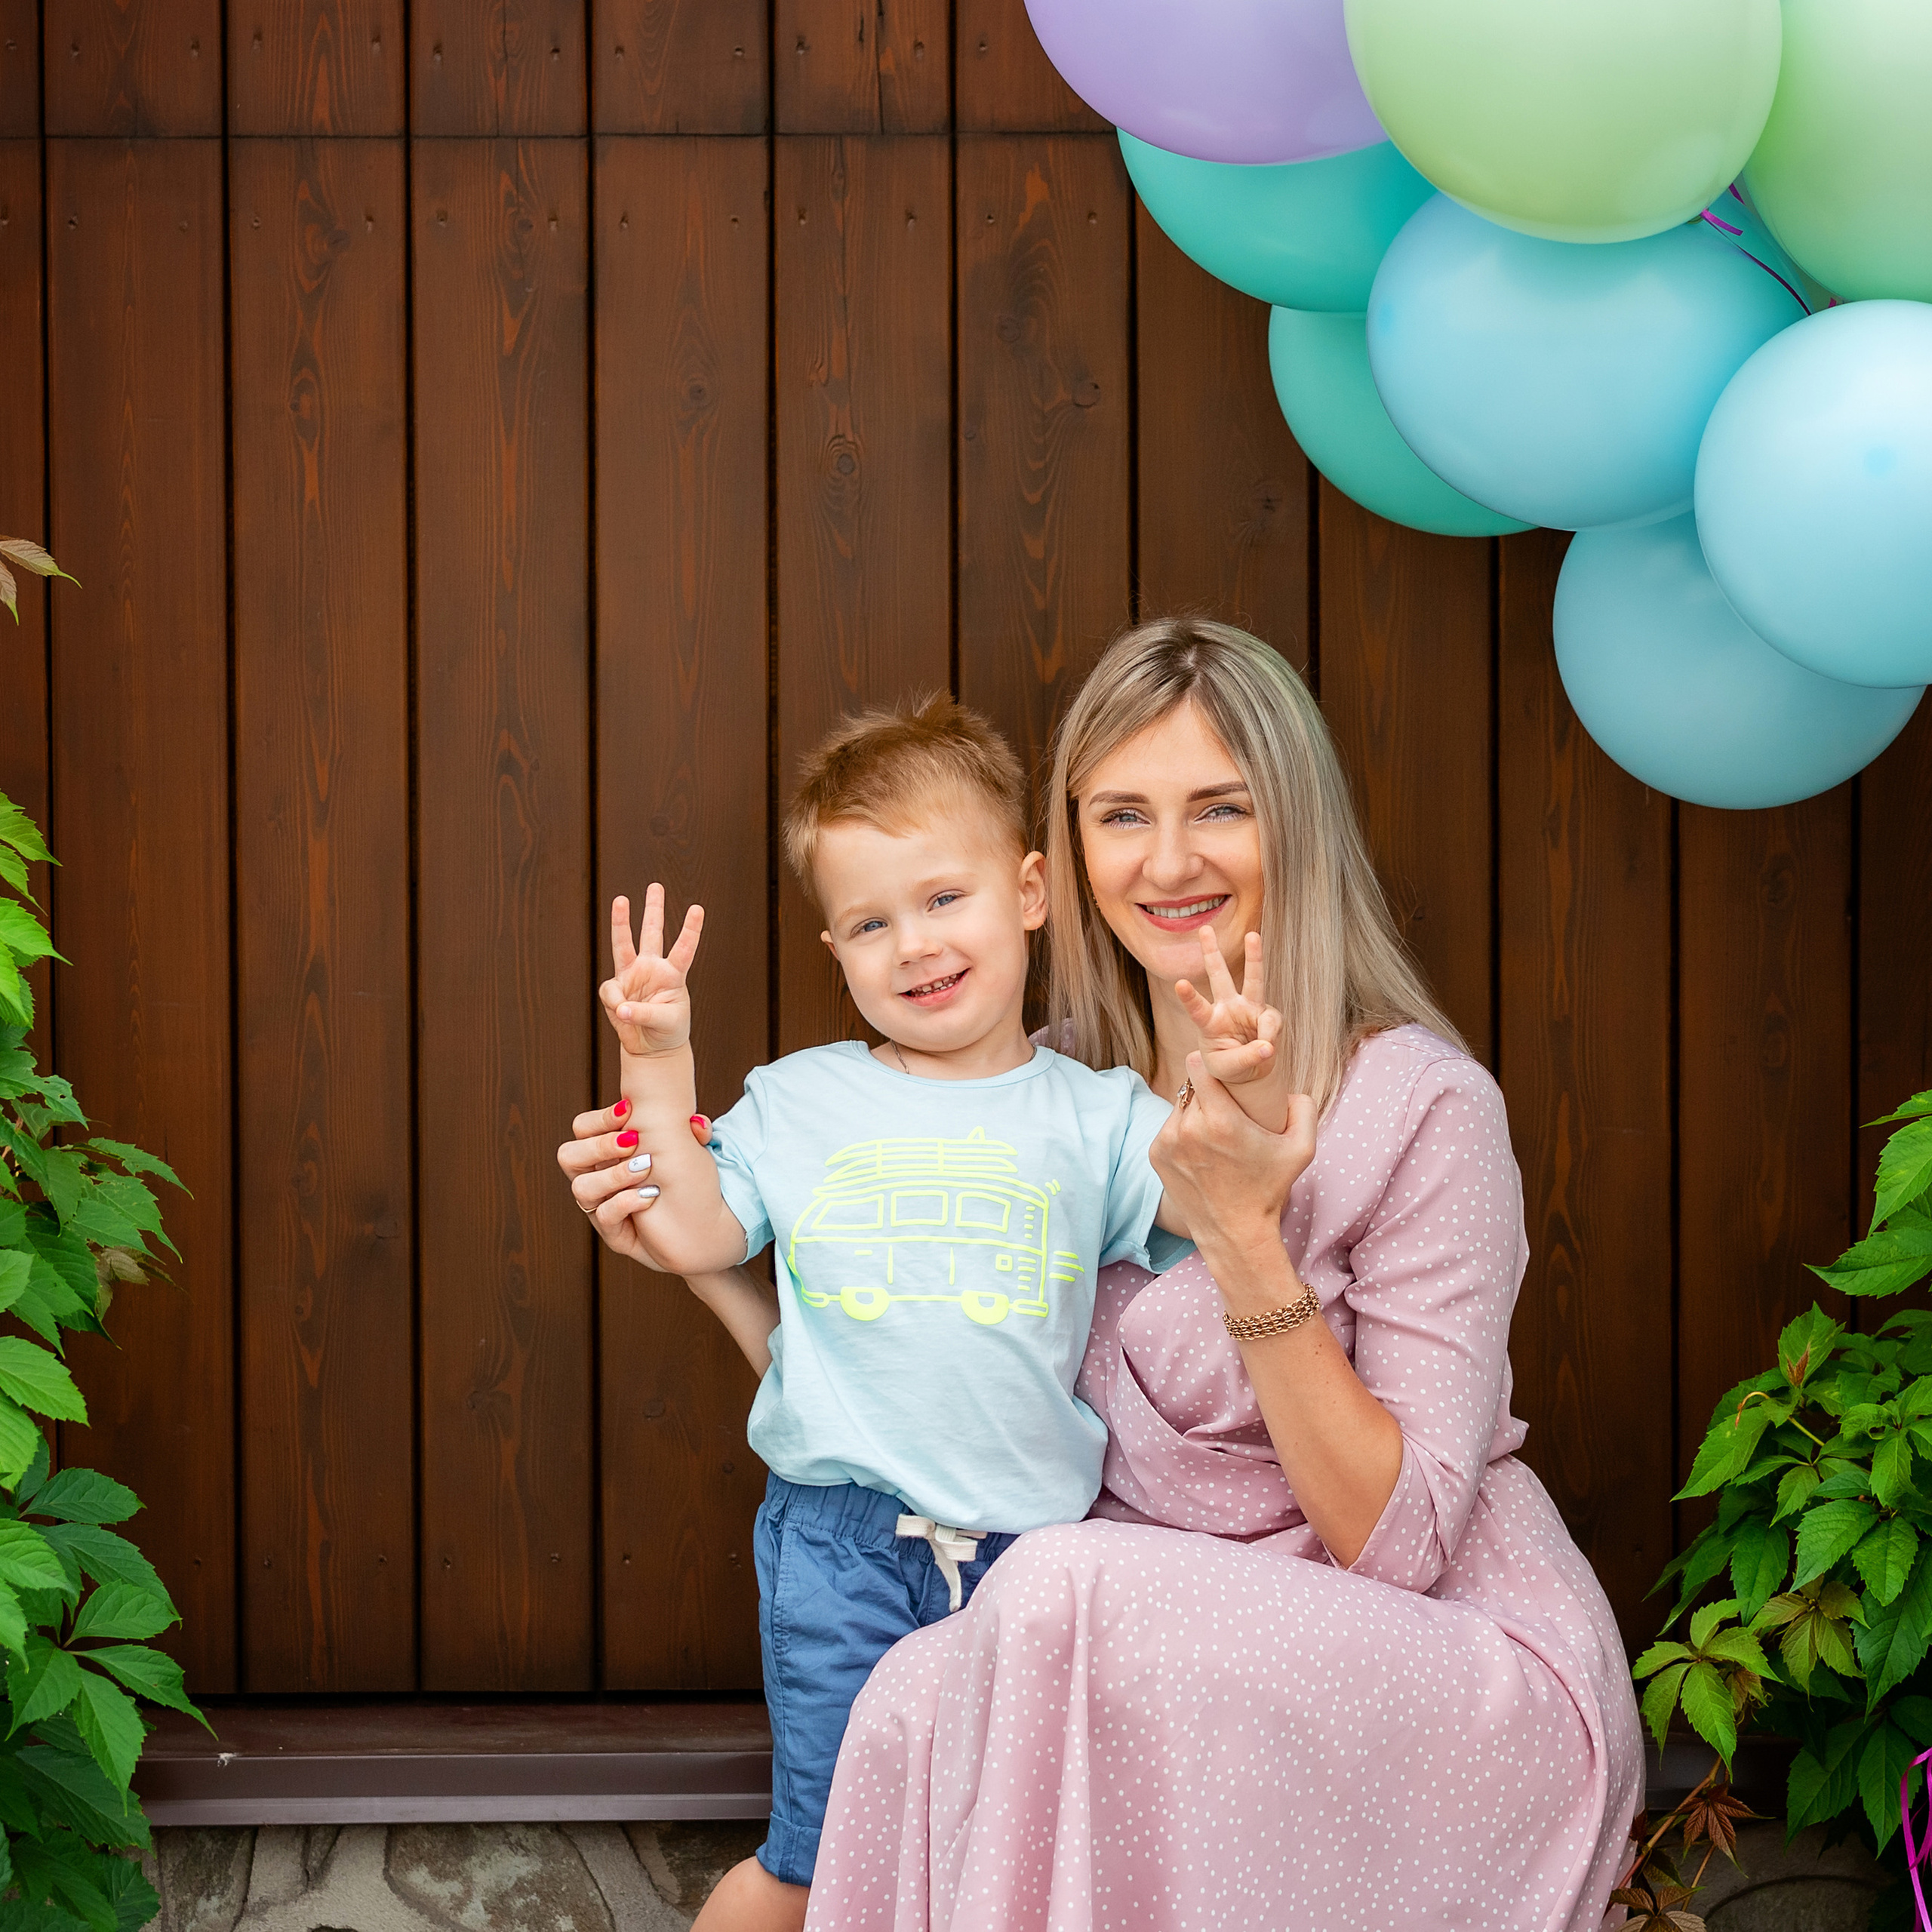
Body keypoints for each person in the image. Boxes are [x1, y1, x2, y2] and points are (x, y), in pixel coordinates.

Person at [565, 621, 1644, 1931]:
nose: (1169, 861)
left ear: (1296, 826)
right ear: (1066, 852)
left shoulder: (1421, 1107)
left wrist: (1245, 1237)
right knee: (915, 1710)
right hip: (1110, 1640)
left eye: (1221, 809)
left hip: (1409, 1658)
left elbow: (1401, 1544)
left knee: (1048, 1596)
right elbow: (908, 1379)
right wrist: (706, 1263)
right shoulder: (1045, 1082)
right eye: (1123, 814)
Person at [577, 693, 1303, 1932]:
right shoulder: (798, 1101)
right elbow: (692, 1233)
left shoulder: (1098, 1115)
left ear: (1029, 892)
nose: (913, 946)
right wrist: (657, 1058)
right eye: (871, 924)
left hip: (1029, 1558)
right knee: (822, 1855)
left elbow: (1219, 1202)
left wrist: (1242, 1082)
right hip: (841, 1542)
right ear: (836, 952)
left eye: (943, 900)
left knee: (992, 1851)